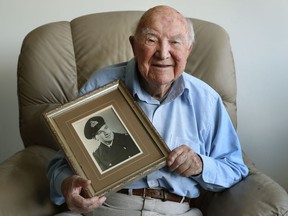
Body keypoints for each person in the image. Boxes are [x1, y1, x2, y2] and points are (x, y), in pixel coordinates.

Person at [47, 5, 249, 216]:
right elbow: (61, 163)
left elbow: (235, 169)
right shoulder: (100, 86)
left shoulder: (206, 100)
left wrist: (200, 165)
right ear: (134, 46)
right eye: (151, 40)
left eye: (175, 42)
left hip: (176, 211)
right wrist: (67, 185)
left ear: (188, 50)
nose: (163, 53)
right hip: (107, 207)